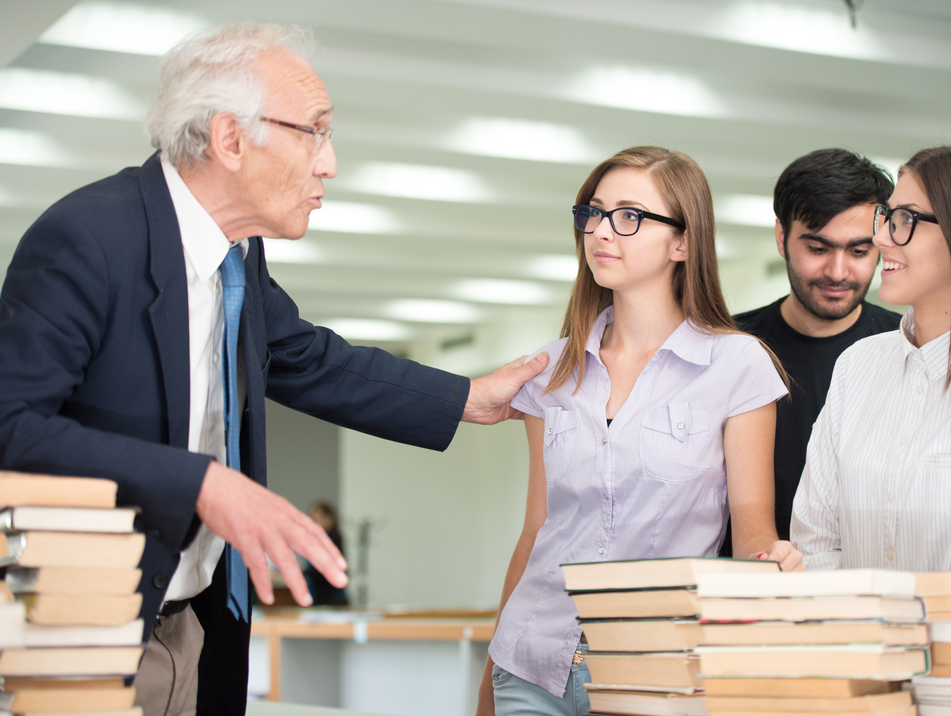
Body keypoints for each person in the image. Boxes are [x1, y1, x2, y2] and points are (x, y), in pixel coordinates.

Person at [0, 22, 546, 716]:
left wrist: (469, 397)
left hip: (198, 623)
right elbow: (11, 425)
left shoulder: (238, 256)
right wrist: (202, 484)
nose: (330, 162)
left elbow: (305, 357)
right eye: (314, 131)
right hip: (90, 629)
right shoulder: (89, 237)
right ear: (230, 139)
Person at [476, 147, 803, 716]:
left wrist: (772, 563)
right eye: (593, 213)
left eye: (629, 216)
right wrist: (489, 674)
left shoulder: (738, 365)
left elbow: (752, 532)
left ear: (684, 242)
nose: (601, 231)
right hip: (531, 662)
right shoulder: (549, 369)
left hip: (659, 670)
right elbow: (536, 528)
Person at [791, 144, 951, 572]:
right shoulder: (858, 365)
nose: (881, 237)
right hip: (860, 635)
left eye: (906, 219)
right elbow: (815, 543)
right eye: (886, 216)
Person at [726, 149, 900, 550]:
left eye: (859, 251)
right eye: (819, 249)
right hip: (745, 590)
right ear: (781, 238)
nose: (838, 272)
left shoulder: (904, 350)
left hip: (863, 588)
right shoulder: (727, 346)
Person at [304, 501, 348, 605]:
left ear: (329, 518)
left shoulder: (332, 539)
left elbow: (326, 569)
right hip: (320, 596)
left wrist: (303, 571)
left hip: (331, 598)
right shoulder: (319, 539)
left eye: (316, 519)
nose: (314, 523)